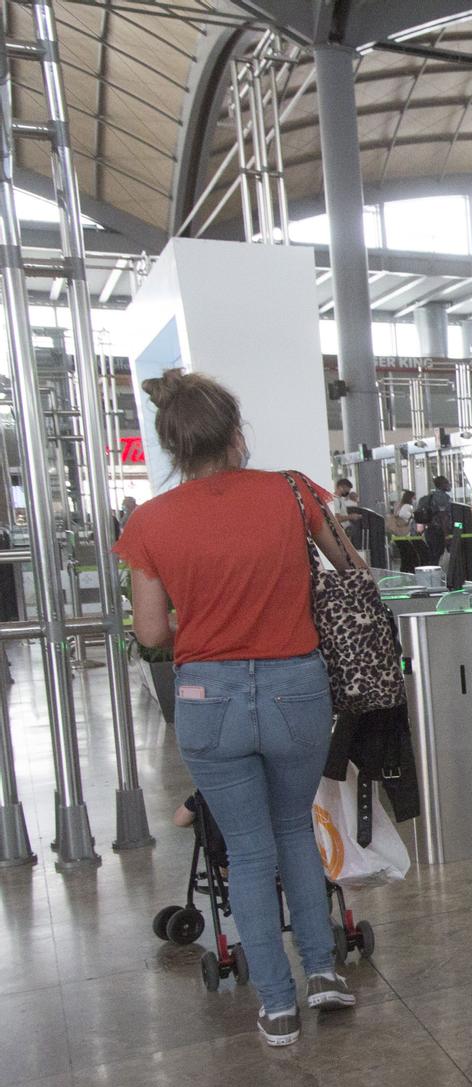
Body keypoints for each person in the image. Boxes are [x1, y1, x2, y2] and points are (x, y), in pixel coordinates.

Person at [115, 369, 357, 1047]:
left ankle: (277, 1005)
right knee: (293, 833)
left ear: (173, 445)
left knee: (248, 854)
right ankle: (323, 973)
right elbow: (351, 570)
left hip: (207, 697)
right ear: (236, 432)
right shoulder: (291, 490)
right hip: (295, 690)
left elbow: (153, 633)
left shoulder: (149, 522)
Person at [418, 473, 455, 564]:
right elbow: (443, 516)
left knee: (432, 556)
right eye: (447, 483)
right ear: (442, 485)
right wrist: (446, 534)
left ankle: (431, 575)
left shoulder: (429, 497)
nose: (449, 485)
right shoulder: (443, 498)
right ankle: (436, 576)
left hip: (429, 531)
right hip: (439, 531)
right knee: (438, 555)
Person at [387, 488, 422, 574]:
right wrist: (412, 516)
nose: (415, 499)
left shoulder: (399, 505)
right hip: (403, 534)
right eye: (414, 497)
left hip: (398, 535)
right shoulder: (407, 506)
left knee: (405, 554)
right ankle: (410, 571)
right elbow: (403, 515)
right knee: (410, 553)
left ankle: (405, 570)